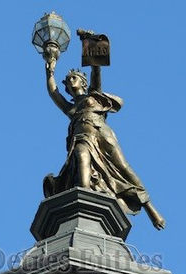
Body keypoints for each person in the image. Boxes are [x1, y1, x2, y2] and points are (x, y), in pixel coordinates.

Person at [42, 46, 165, 229]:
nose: (69, 83)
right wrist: (50, 69)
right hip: (81, 137)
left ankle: (150, 209)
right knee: (81, 154)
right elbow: (54, 93)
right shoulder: (71, 108)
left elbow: (96, 73)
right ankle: (83, 202)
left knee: (123, 168)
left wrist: (92, 52)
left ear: (83, 82)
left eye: (73, 78)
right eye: (67, 82)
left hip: (102, 134)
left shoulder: (94, 96)